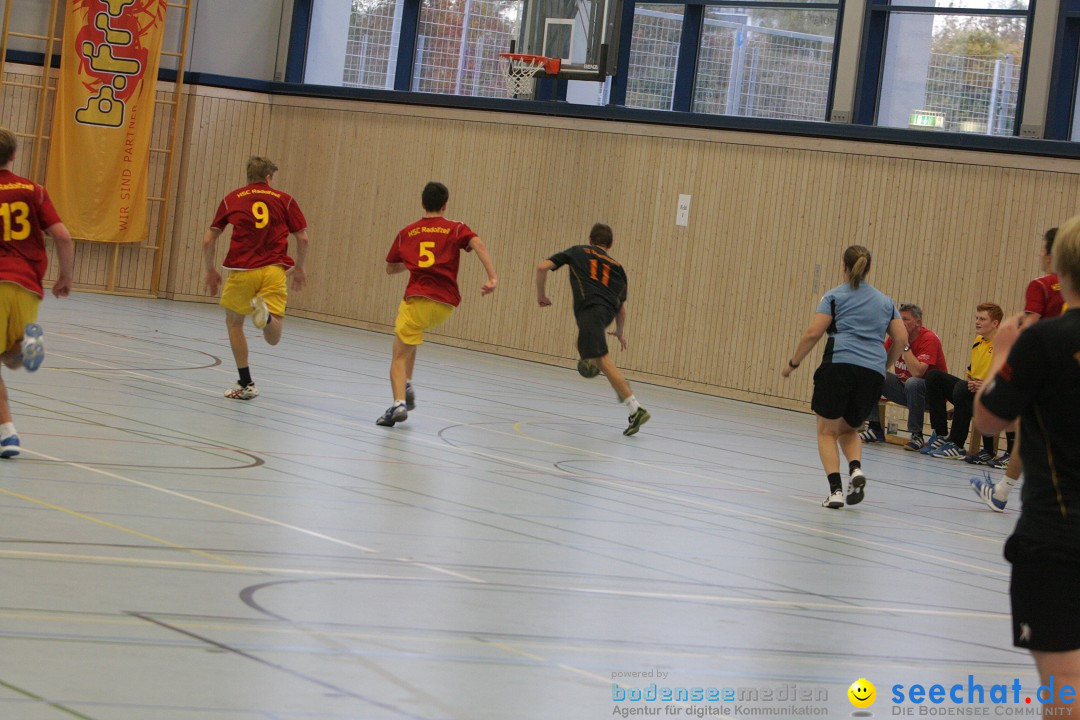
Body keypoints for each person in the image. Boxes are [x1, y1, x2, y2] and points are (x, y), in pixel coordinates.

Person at [972, 217, 1080, 717]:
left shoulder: (1044, 342)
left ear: (1058, 267)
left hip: (1059, 539)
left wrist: (1003, 354)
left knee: (1065, 685)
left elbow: (989, 420)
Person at [782, 245, 906, 509]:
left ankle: (836, 491)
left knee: (826, 432)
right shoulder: (886, 302)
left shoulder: (834, 296)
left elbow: (813, 333)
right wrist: (884, 365)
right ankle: (857, 469)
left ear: (845, 267)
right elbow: (902, 338)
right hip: (872, 371)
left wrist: (794, 362)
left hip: (840, 364)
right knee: (850, 428)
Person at [377, 181, 497, 426]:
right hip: (445, 305)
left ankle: (398, 403)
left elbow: (390, 268)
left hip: (418, 299)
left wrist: (410, 264)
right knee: (413, 336)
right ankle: (407, 385)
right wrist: (492, 277)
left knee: (397, 357)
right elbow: (478, 244)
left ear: (422, 203)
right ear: (445, 205)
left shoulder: (407, 232)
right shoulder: (455, 228)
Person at [971, 227, 1064, 511]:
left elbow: (1031, 327)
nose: (1039, 254)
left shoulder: (1042, 285)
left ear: (1050, 253)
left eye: (1041, 249)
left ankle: (1004, 492)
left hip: (1048, 371)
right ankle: (1002, 491)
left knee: (1028, 428)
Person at [202, 156, 309, 400]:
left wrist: (211, 270)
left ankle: (246, 383)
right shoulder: (285, 200)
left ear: (248, 176)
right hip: (273, 270)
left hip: (242, 271)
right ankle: (266, 316)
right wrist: (300, 267)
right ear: (269, 177)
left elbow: (209, 240)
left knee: (234, 323)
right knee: (274, 336)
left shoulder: (232, 199)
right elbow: (303, 238)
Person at [0, 126, 75, 457]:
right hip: (28, 285)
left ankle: (8, 434)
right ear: (14, 155)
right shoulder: (34, 190)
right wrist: (65, 277)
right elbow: (63, 236)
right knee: (11, 358)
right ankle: (29, 341)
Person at [536, 223, 650, 436]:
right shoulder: (618, 269)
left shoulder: (578, 251)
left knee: (604, 361)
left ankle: (636, 408)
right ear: (611, 244)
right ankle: (615, 380)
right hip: (605, 314)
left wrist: (541, 294)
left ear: (590, 240)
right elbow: (621, 310)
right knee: (589, 348)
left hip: (590, 311)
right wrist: (620, 331)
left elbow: (542, 267)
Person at [920, 302, 1003, 461]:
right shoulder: (978, 340)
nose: (977, 322)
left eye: (982, 319)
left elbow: (1008, 378)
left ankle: (956, 444)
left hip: (992, 396)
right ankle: (940, 433)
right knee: (935, 377)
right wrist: (959, 401)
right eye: (976, 318)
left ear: (995, 323)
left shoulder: (1003, 345)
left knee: (962, 388)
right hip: (973, 394)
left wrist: (986, 384)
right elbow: (971, 374)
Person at [860, 303, 947, 450]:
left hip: (929, 397)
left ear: (917, 323)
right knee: (871, 373)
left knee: (913, 382)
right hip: (905, 391)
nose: (900, 323)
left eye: (905, 319)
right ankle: (875, 427)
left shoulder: (929, 339)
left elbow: (917, 372)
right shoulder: (896, 337)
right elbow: (880, 363)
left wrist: (905, 344)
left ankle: (916, 435)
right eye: (898, 319)